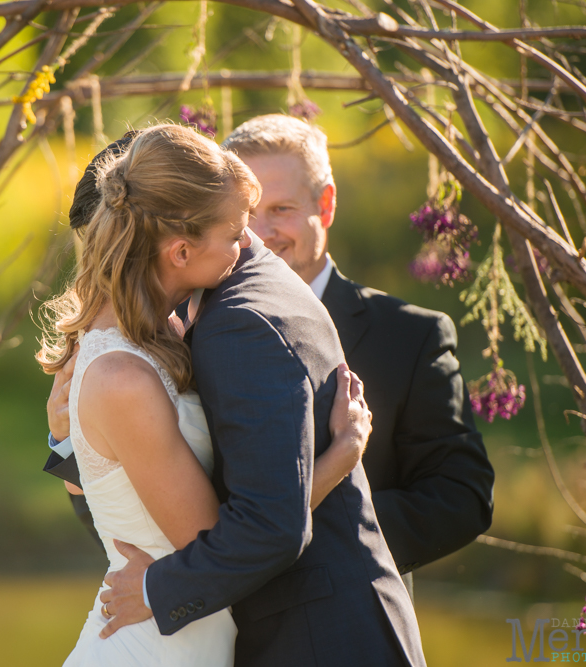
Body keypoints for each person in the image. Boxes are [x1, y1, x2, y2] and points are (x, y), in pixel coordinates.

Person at [37, 124, 390, 666]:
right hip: (154, 647)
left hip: (188, 635)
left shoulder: (157, 338)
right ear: (180, 250)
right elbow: (217, 540)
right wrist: (340, 457)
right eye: (234, 232)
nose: (249, 244)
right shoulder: (124, 377)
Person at [221, 114, 495, 593]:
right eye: (246, 214)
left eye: (281, 209)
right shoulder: (186, 329)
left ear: (325, 204)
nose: (260, 235)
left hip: (354, 630)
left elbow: (460, 497)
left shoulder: (410, 337)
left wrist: (309, 533)